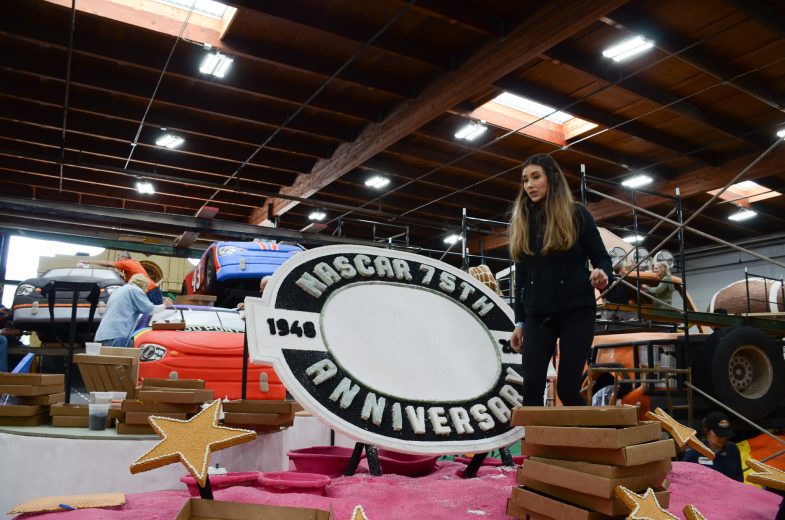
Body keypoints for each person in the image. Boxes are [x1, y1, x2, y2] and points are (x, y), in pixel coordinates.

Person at [508, 154, 613, 406]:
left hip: (577, 310)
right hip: (538, 314)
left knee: (567, 389)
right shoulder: (523, 223)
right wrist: (519, 322)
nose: (529, 185)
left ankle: (596, 439)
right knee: (531, 386)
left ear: (552, 179)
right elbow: (521, 278)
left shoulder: (577, 214)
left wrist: (602, 275)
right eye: (525, 180)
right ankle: (536, 445)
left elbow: (602, 258)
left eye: (536, 177)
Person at [94, 274, 173, 347]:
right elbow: (150, 310)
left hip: (102, 335)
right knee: (118, 361)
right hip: (117, 336)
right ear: (143, 285)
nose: (145, 292)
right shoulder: (135, 290)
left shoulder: (120, 290)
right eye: (146, 289)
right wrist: (165, 305)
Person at [79, 251, 163, 304]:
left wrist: (88, 261)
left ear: (123, 258)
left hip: (150, 293)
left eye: (118, 258)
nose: (118, 260)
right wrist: (122, 275)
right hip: (153, 291)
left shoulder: (125, 262)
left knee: (150, 317)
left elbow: (108, 263)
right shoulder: (134, 262)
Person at [683, 411, 743, 482]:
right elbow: (684, 481)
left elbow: (739, 479)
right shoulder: (694, 453)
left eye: (726, 435)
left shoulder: (733, 449)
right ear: (706, 431)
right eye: (719, 435)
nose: (723, 438)